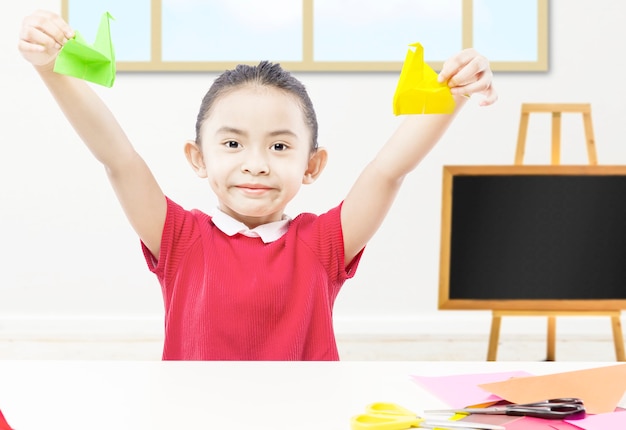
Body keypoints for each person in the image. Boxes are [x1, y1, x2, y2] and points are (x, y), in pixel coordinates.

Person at [18, 10, 497, 361]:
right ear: (197, 158)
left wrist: (451, 95)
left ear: (313, 166)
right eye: (232, 144)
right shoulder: (179, 237)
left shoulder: (325, 242)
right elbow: (118, 159)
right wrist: (49, 67)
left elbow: (388, 171)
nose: (256, 164)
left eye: (280, 147)